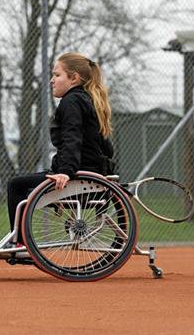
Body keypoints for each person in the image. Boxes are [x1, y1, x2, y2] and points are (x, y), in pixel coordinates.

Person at [6, 52, 115, 245]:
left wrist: (65, 172)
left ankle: (20, 242)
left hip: (79, 178)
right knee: (25, 183)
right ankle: (20, 240)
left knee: (16, 185)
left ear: (73, 78)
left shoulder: (71, 101)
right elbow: (107, 148)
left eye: (57, 75)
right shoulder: (88, 100)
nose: (52, 80)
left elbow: (72, 138)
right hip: (93, 176)